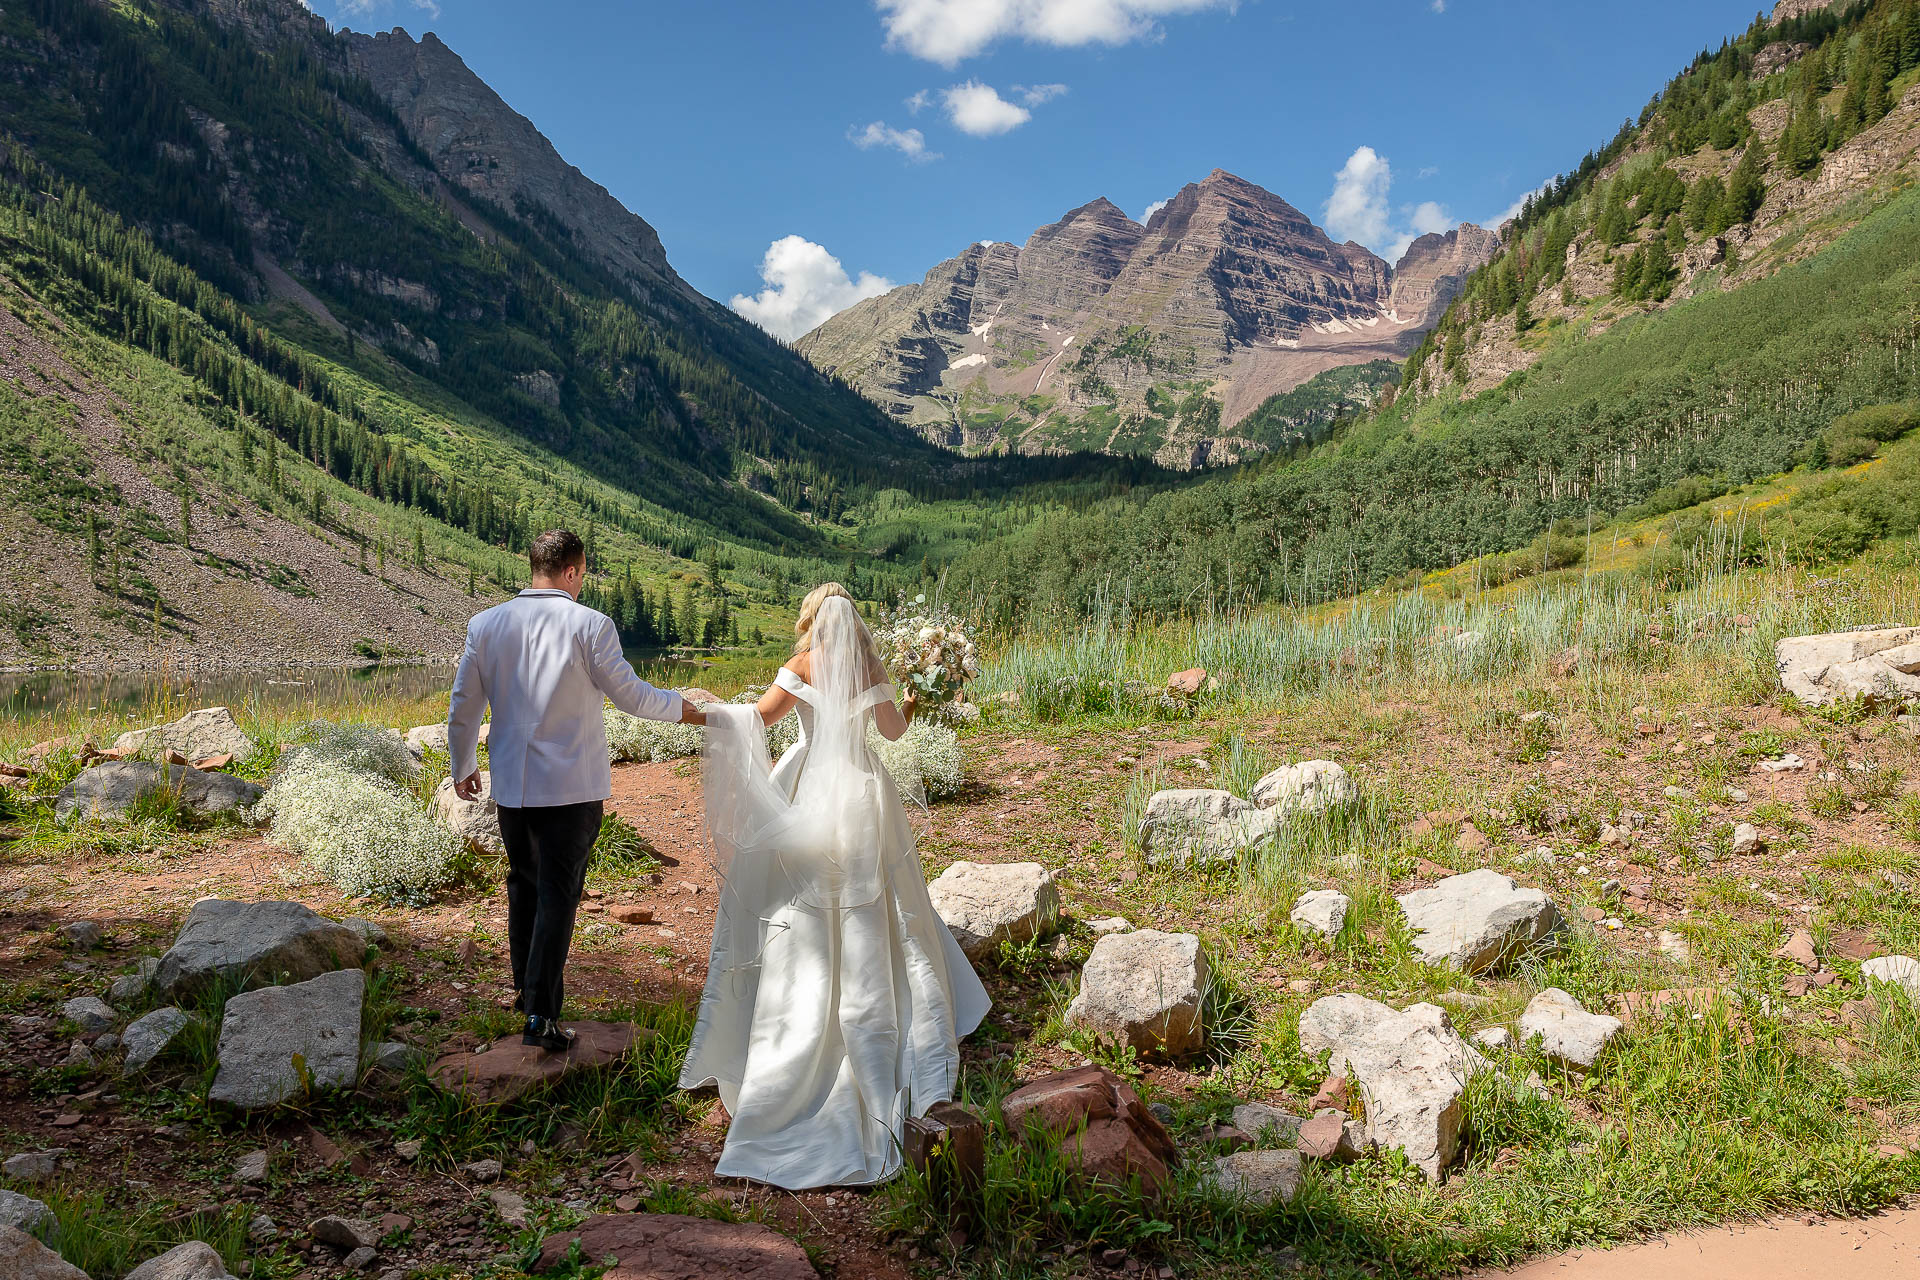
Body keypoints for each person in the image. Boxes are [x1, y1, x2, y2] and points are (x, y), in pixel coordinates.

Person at [680, 583, 991, 1189]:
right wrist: (913, 689)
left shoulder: (802, 662)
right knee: (883, 910)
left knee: (797, 908)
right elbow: (896, 732)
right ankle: (887, 1023)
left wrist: (708, 713)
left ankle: (798, 1020)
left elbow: (762, 717)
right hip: (864, 790)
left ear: (811, 618)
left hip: (805, 783)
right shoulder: (870, 666)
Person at [447, 529, 705, 1051]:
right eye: (582, 574)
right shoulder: (591, 626)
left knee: (523, 885)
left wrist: (463, 764)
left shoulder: (486, 624)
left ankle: (527, 993)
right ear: (571, 571)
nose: (582, 583)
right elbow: (631, 696)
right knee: (558, 895)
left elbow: (463, 705)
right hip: (571, 788)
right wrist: (686, 709)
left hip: (513, 787)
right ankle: (541, 1014)